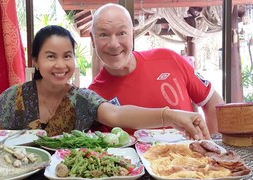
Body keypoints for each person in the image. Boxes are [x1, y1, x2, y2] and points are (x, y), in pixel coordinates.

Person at [0, 25, 210, 140]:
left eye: (67, 56)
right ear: (35, 60)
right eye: (50, 56)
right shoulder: (14, 97)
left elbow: (118, 114)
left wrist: (169, 115)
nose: (60, 65)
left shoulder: (82, 98)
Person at [88, 3, 224, 135]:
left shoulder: (168, 59)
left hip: (190, 155)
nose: (114, 44)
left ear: (132, 34)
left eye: (122, 33)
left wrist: (213, 145)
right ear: (92, 40)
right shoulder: (93, 96)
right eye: (103, 35)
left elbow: (212, 100)